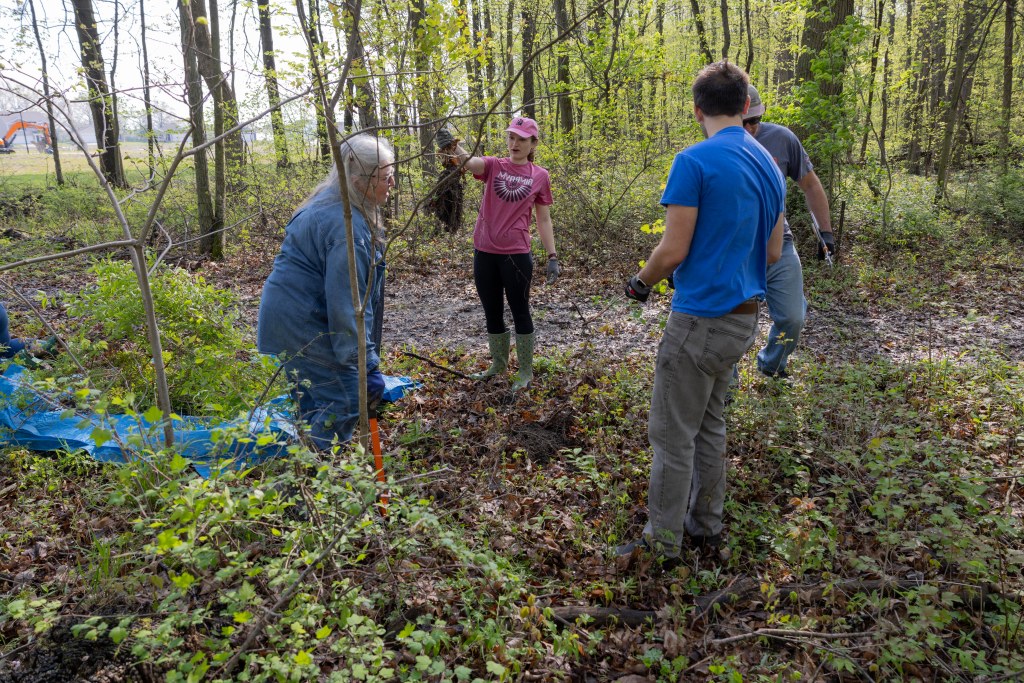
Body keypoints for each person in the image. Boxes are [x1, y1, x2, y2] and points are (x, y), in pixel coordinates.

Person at [618, 62, 786, 568]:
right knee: (710, 427)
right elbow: (774, 252)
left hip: (698, 321)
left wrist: (641, 283)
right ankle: (707, 528)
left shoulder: (693, 161)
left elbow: (672, 250)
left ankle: (662, 545)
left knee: (672, 436)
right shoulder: (769, 166)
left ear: (698, 110)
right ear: (744, 107)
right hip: (743, 322)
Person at [257, 134, 395, 449]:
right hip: (304, 327)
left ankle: (310, 482)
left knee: (315, 407)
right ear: (360, 181)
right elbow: (348, 303)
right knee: (343, 401)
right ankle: (312, 485)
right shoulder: (348, 228)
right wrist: (365, 364)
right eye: (387, 177)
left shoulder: (334, 202)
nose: (393, 183)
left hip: (288, 322)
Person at [449, 117, 559, 391]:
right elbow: (470, 164)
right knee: (492, 311)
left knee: (520, 310)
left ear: (533, 143)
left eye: (522, 139)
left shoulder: (540, 175)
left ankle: (525, 371)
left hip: (516, 255)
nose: (514, 144)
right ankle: (498, 364)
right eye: (511, 137)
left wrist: (552, 256)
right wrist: (453, 147)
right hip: (484, 251)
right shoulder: (494, 165)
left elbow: (543, 219)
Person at [742, 85, 835, 378]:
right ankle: (725, 387)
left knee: (794, 317)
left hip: (779, 243)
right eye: (744, 122)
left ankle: (771, 366)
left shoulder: (782, 139)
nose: (750, 128)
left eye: (755, 121)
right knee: (731, 323)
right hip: (736, 249)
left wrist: (826, 233)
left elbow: (810, 184)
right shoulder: (717, 142)